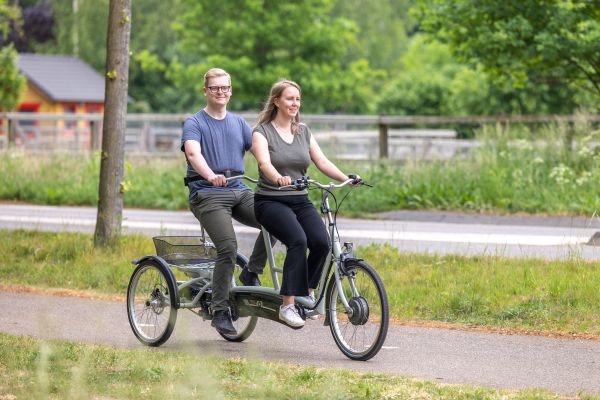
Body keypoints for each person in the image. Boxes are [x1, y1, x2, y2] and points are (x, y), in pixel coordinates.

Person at [252, 79, 360, 327]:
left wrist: (346, 178)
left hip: (299, 199)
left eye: (297, 99)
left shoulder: (303, 131)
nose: (294, 103)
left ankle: (306, 296)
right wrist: (278, 178)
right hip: (270, 200)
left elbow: (322, 162)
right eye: (289, 98)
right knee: (298, 241)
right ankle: (287, 305)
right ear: (277, 101)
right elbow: (264, 163)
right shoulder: (261, 132)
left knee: (322, 243)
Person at [181, 67, 266, 335]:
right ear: (205, 90)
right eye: (215, 87)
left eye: (225, 87)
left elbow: (262, 152)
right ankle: (220, 310)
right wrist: (210, 175)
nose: (221, 92)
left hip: (238, 189)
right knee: (228, 247)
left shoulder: (240, 124)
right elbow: (194, 154)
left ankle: (251, 272)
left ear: (230, 90)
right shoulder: (194, 122)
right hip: (207, 193)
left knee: (276, 218)